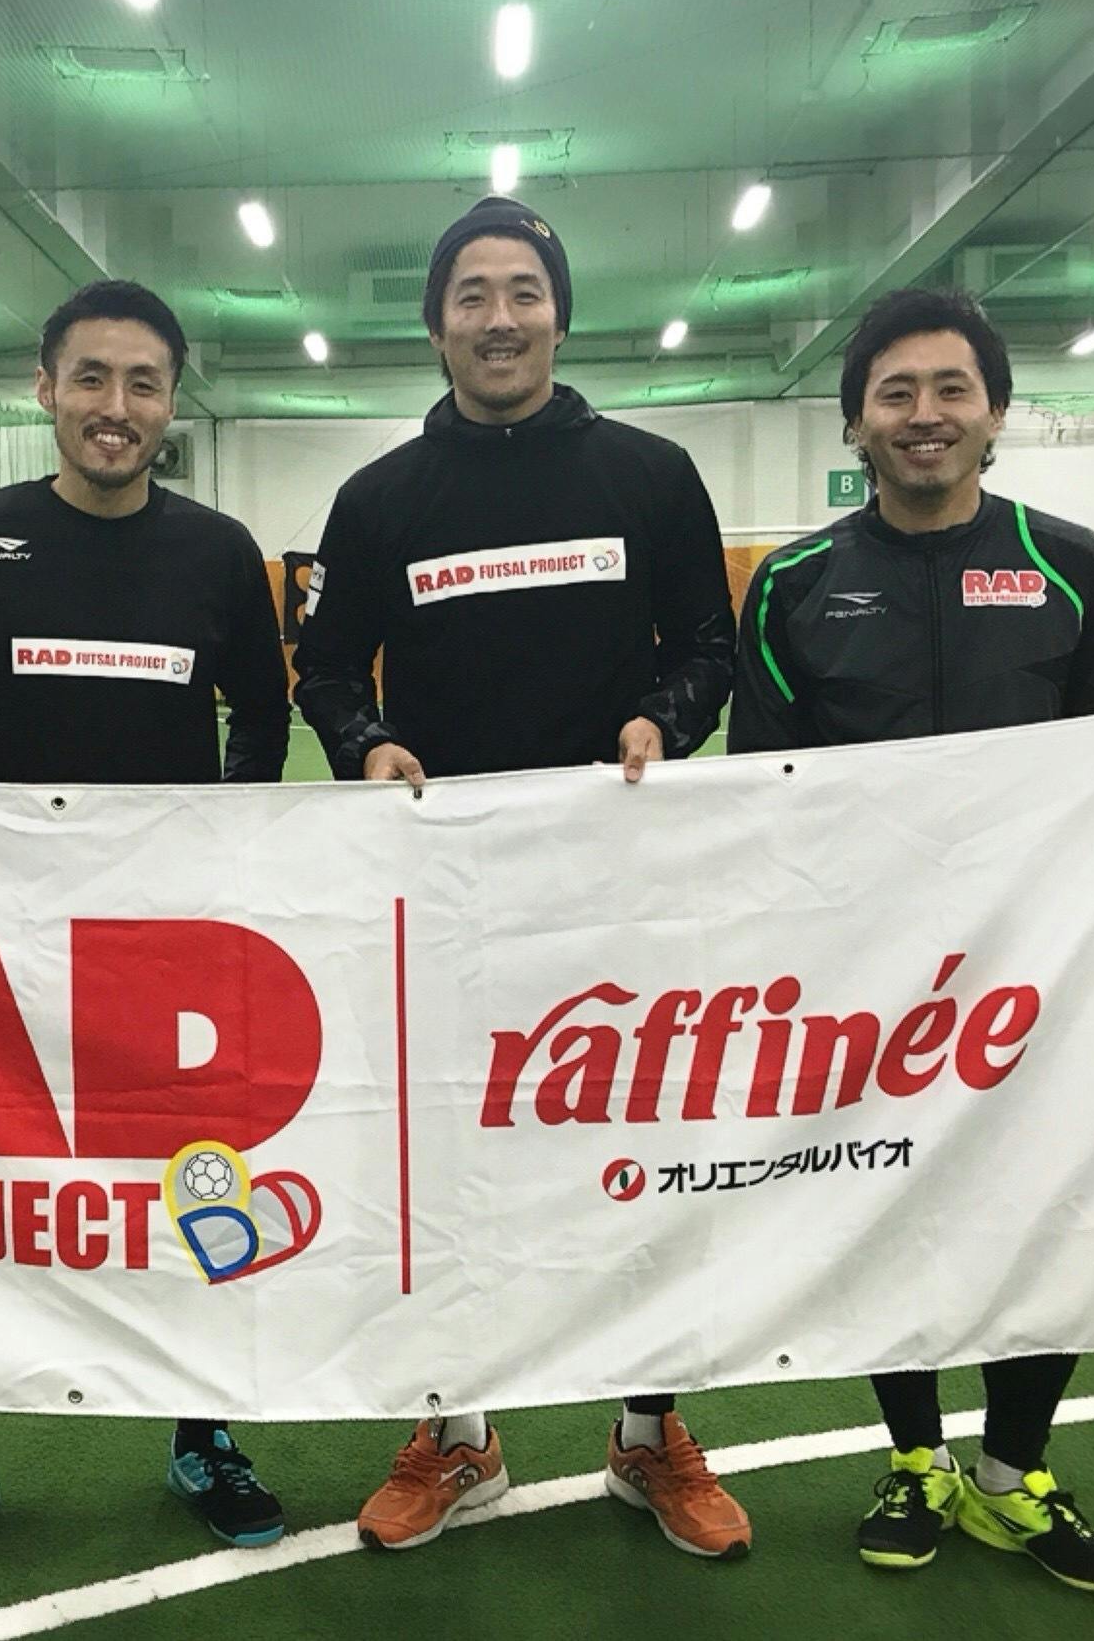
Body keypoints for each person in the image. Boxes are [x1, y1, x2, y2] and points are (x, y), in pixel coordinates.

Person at [731, 285, 1094, 1595]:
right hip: (868, 980)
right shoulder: (792, 581)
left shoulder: (1068, 560)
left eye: (951, 388)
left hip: (1041, 969)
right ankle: (914, 1457)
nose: (925, 414)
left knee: (1048, 1201)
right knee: (886, 1199)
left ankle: (1016, 1470)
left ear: (997, 410)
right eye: (895, 391)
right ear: (856, 420)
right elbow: (757, 786)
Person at [292, 198, 749, 1559]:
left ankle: (647, 1431)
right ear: (435, 324)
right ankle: (458, 1431)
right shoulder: (378, 501)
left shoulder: (652, 475)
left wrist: (663, 716)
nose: (500, 318)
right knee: (450, 1163)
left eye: (524, 291)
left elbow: (710, 647)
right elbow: (325, 668)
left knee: (638, 1156)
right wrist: (366, 744)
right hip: (446, 896)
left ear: (560, 313)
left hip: (623, 884)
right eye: (473, 295)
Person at [0, 279, 293, 1578]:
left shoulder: (219, 551)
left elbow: (264, 713)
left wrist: (219, 845)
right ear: (45, 388)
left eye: (142, 382)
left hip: (167, 948)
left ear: (170, 400)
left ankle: (204, 1432)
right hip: (0, 942)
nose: (115, 405)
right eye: (90, 377)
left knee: (196, 1176)